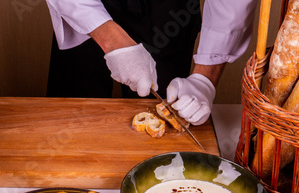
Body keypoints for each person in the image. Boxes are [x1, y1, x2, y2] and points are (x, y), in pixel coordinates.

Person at [45, 0, 258, 125]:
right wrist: (108, 37)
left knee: (166, 135)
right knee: (68, 124)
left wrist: (205, 78)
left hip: (170, 15)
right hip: (83, 10)